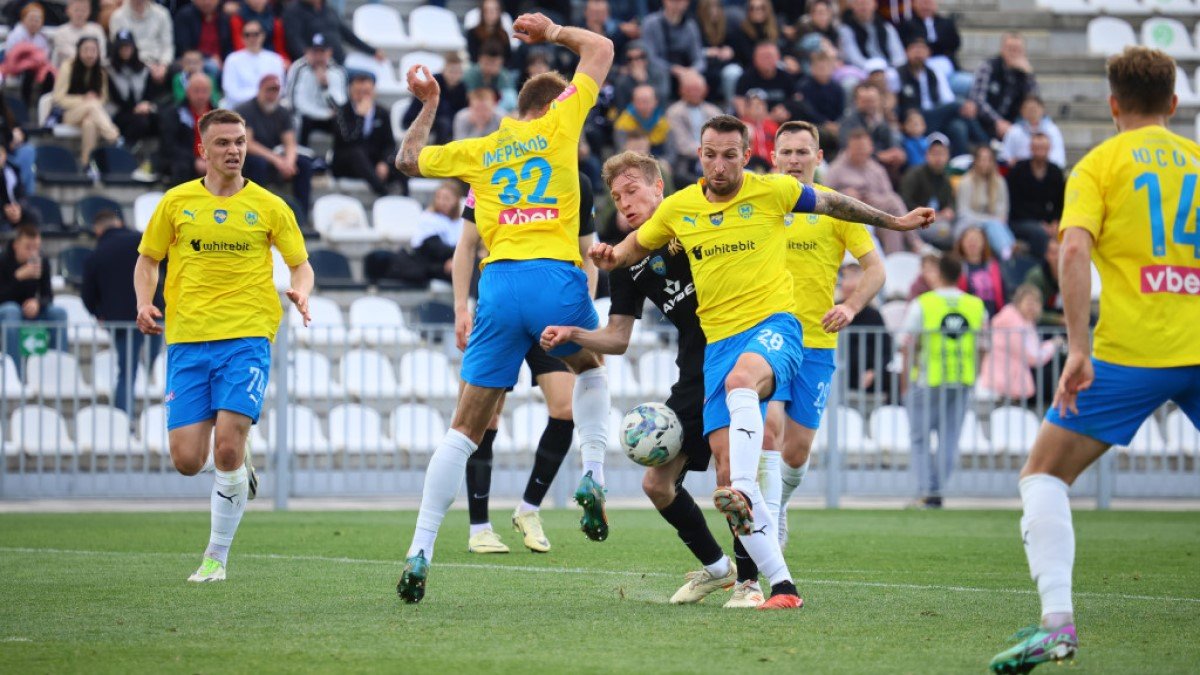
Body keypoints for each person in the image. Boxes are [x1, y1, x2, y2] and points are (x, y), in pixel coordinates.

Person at [588, 113, 934, 610]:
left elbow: (836, 203)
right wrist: (608, 257)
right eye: (711, 155)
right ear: (699, 155)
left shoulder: (773, 191)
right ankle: (779, 586)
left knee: (747, 400)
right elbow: (630, 249)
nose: (719, 164)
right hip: (717, 347)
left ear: (747, 156)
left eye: (730, 155)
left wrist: (895, 221)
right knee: (725, 473)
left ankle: (754, 495)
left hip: (775, 328)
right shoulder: (681, 208)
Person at [987, 47, 1200, 672]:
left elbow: (1074, 253)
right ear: (1174, 103)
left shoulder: (1098, 165)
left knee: (1044, 474)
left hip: (1130, 353)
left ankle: (1057, 625)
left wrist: (1078, 348)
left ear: (1112, 105)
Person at [392, 12, 616, 605]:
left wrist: (430, 103)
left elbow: (408, 161)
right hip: (554, 276)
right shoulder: (561, 125)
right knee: (591, 371)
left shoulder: (482, 150)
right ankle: (593, 472)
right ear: (554, 105)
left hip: (497, 285)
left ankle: (421, 548)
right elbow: (601, 47)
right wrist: (554, 33)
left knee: (464, 429)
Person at [546, 152, 769, 607]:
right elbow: (618, 337)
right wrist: (574, 335)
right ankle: (719, 570)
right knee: (656, 485)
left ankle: (750, 583)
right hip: (693, 375)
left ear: (658, 188)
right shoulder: (625, 259)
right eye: (616, 197)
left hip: (735, 359)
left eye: (632, 190)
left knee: (729, 472)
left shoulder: (694, 220)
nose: (624, 202)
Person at [134, 107, 313, 583]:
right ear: (203, 149)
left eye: (239, 142)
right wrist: (144, 302)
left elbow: (300, 264)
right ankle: (238, 462)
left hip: (247, 335)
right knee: (187, 461)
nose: (233, 150)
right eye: (223, 143)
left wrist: (301, 291)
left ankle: (215, 558)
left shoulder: (270, 206)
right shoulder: (176, 202)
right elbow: (148, 260)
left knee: (226, 450)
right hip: (188, 340)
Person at [760, 120, 885, 550]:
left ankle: (779, 504)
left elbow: (876, 269)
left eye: (802, 152)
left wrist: (850, 306)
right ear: (773, 158)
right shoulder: (759, 201)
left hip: (817, 342)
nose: (794, 160)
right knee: (769, 429)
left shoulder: (836, 207)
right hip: (768, 337)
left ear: (818, 157)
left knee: (796, 452)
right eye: (786, 152)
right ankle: (766, 525)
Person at [459, 176, 598, 555]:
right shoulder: (491, 174)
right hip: (501, 306)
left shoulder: (575, 180)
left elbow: (588, 251)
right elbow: (467, 245)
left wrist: (581, 310)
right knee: (484, 419)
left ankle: (529, 509)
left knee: (565, 409)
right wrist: (460, 307)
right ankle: (479, 527)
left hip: (550, 309)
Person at [901, 252, 986, 510]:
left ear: (938, 273)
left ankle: (928, 491)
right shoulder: (975, 305)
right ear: (961, 275)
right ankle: (936, 490)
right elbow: (984, 345)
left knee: (920, 438)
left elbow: (906, 342)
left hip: (928, 379)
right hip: (962, 378)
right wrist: (975, 374)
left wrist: (905, 378)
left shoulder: (923, 303)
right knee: (949, 439)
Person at [81, 210, 162, 415]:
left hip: (121, 322)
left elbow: (87, 295)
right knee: (157, 366)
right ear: (120, 223)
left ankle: (124, 419)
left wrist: (100, 313)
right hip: (154, 313)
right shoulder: (142, 241)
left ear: (98, 231)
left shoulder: (96, 255)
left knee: (127, 372)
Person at [825, 128, 915, 253]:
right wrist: (844, 194)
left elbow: (888, 194)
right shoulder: (836, 169)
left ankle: (894, 259)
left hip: (876, 212)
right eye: (857, 149)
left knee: (892, 221)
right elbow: (825, 196)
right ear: (849, 148)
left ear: (871, 148)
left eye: (863, 149)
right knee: (893, 203)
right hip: (850, 214)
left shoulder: (876, 169)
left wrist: (873, 198)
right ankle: (915, 242)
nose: (860, 152)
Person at [238, 74, 313, 221]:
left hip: (275, 156)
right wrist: (277, 160)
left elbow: (290, 142)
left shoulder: (282, 112)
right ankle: (256, 211)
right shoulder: (246, 110)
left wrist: (289, 162)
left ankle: (301, 217)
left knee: (304, 164)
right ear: (260, 89)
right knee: (258, 163)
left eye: (275, 91)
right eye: (269, 90)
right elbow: (248, 143)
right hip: (253, 156)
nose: (272, 95)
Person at [897, 35, 986, 156]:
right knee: (959, 105)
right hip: (914, 118)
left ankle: (960, 161)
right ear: (906, 52)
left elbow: (947, 98)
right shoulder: (898, 74)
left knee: (958, 126)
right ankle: (986, 143)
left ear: (929, 53)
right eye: (915, 49)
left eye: (922, 49)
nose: (918, 53)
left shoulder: (934, 72)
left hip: (935, 116)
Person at [0, 225, 68, 375]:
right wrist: (17, 278)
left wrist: (37, 303)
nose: (33, 252)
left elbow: (47, 295)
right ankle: (16, 375)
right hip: (7, 312)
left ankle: (57, 374)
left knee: (58, 313)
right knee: (12, 311)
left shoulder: (41, 261)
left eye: (36, 248)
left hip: (31, 311)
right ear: (16, 245)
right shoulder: (3, 260)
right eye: (28, 248)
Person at [978, 284, 1058, 403]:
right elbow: (1034, 356)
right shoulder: (1014, 323)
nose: (1032, 307)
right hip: (1000, 386)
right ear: (1018, 302)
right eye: (1029, 302)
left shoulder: (1023, 322)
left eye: (1036, 302)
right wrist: (1053, 345)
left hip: (1001, 385)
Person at [331, 71, 401, 197]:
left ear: (374, 92)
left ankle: (405, 197)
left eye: (366, 92)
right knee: (356, 153)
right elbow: (348, 139)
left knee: (400, 158)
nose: (363, 97)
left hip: (373, 162)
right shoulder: (341, 111)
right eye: (359, 92)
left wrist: (384, 163)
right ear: (351, 91)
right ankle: (383, 193)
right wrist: (360, 118)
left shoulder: (382, 112)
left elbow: (389, 144)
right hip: (346, 163)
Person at [53, 36, 121, 163]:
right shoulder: (68, 67)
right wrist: (84, 99)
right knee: (91, 105)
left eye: (93, 50)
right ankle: (114, 136)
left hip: (91, 114)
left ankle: (86, 163)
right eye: (86, 50)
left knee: (89, 123)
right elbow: (58, 98)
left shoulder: (101, 72)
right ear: (78, 51)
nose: (89, 55)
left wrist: (93, 102)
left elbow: (103, 98)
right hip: (68, 114)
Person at [840, 262, 895, 399]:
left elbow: (887, 351)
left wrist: (874, 371)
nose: (848, 284)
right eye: (845, 278)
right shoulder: (834, 310)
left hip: (866, 382)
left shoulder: (873, 315)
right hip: (836, 378)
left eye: (853, 279)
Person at [970, 32, 1039, 140]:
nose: (1013, 53)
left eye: (1017, 50)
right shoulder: (989, 67)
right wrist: (998, 121)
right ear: (1002, 49)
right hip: (986, 123)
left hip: (1014, 124)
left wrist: (1029, 74)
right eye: (1010, 49)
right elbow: (978, 99)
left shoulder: (1025, 74)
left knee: (1043, 122)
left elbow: (1035, 104)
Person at [1006, 133, 1064, 260]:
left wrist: (1055, 222)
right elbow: (1015, 204)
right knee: (1039, 233)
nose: (1040, 152)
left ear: (1049, 149)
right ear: (1031, 148)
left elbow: (1060, 203)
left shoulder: (1055, 172)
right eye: (1037, 148)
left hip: (1047, 221)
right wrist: (1040, 224)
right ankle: (1040, 266)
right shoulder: (1018, 170)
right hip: (1020, 220)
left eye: (1043, 148)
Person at [284, 32, 347, 146]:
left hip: (328, 117)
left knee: (342, 123)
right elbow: (295, 104)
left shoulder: (337, 72)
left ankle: (339, 155)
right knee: (299, 120)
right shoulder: (298, 69)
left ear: (329, 52)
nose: (318, 57)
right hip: (306, 116)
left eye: (322, 52)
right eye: (314, 52)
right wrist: (324, 114)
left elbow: (340, 106)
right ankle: (301, 152)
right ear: (307, 52)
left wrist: (325, 87)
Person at [107, 29, 167, 148]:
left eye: (128, 47)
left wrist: (148, 105)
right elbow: (114, 98)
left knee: (161, 118)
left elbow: (150, 94)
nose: (125, 50)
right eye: (122, 48)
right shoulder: (109, 71)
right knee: (140, 122)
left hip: (142, 110)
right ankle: (125, 149)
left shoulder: (143, 69)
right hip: (119, 112)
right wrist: (134, 109)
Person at [956, 144, 1014, 260]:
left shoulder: (1000, 182)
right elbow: (963, 213)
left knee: (995, 226)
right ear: (976, 161)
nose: (985, 163)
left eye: (988, 160)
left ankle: (1008, 252)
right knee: (993, 225)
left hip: (995, 226)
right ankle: (1007, 253)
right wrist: (988, 220)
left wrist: (992, 221)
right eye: (982, 159)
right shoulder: (966, 182)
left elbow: (1003, 211)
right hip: (969, 224)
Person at [899, 132, 956, 249]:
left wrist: (949, 210)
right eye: (934, 153)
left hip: (939, 222)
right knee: (948, 232)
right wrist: (931, 215)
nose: (938, 158)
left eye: (942, 153)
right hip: (917, 224)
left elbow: (950, 202)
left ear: (948, 156)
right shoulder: (914, 174)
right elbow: (904, 203)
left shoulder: (945, 178)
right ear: (927, 155)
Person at [281, 0, 383, 64]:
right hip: (313, 67)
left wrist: (372, 51)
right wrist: (308, 56)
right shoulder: (293, 11)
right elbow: (294, 40)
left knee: (365, 77)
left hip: (339, 64)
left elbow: (347, 34)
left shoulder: (329, 9)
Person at [665, 71, 722, 185]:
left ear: (705, 90)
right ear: (681, 90)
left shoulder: (714, 111)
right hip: (686, 162)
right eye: (690, 89)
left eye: (697, 89)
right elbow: (681, 145)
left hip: (713, 158)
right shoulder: (674, 112)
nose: (694, 93)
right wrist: (709, 152)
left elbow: (722, 138)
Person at [838, 83, 906, 177]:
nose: (869, 105)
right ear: (857, 102)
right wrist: (878, 155)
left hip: (882, 165)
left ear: (879, 101)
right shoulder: (849, 122)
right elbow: (847, 147)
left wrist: (896, 153)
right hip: (856, 168)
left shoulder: (882, 121)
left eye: (872, 101)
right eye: (865, 101)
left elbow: (890, 143)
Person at [400, 52, 467, 146]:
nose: (454, 75)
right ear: (444, 70)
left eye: (458, 72)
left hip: (441, 121)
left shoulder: (462, 87)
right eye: (451, 71)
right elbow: (435, 108)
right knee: (444, 124)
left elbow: (461, 111)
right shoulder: (433, 82)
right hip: (417, 118)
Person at [160, 74, 214, 185]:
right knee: (181, 166)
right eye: (196, 91)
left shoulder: (218, 115)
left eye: (204, 91)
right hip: (185, 161)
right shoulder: (173, 114)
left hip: (212, 160)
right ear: (188, 92)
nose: (200, 96)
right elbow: (169, 145)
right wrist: (194, 161)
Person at [1, 3, 57, 108]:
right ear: (23, 19)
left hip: (37, 66)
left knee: (49, 76)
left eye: (37, 20)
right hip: (16, 67)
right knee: (28, 73)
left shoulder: (41, 37)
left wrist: (35, 61)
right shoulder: (16, 34)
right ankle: (25, 106)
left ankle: (42, 105)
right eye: (31, 19)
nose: (34, 23)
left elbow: (44, 57)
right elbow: (11, 56)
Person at [221, 19, 286, 107]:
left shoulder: (275, 59)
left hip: (269, 107)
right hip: (240, 107)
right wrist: (260, 96)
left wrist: (262, 97)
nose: (252, 38)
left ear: (263, 36)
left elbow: (280, 88)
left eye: (256, 34)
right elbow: (231, 92)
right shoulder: (232, 59)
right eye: (247, 35)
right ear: (242, 38)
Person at [838, 0, 905, 78]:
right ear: (852, 6)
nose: (863, 7)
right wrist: (874, 70)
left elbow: (899, 56)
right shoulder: (846, 30)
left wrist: (890, 70)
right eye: (858, 3)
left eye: (866, 3)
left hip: (888, 71)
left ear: (875, 4)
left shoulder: (887, 28)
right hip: (861, 72)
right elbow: (853, 58)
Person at [797, 49, 845, 158]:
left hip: (835, 125)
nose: (822, 71)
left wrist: (836, 124)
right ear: (812, 69)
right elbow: (807, 110)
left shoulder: (837, 88)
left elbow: (841, 110)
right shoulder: (805, 87)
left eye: (825, 67)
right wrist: (825, 123)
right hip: (813, 124)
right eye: (819, 68)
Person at [108, 0, 174, 79]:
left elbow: (167, 46)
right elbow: (117, 50)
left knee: (176, 70)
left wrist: (163, 65)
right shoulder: (117, 17)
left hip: (158, 63)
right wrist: (146, 66)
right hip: (132, 63)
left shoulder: (162, 14)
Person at [641, 0, 705, 80]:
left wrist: (692, 71)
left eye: (680, 1)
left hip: (687, 73)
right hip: (660, 74)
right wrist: (673, 69)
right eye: (673, 1)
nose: (677, 4)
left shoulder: (691, 26)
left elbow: (699, 58)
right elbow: (650, 57)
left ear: (687, 3)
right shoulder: (650, 23)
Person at [1002, 95, 1066, 168]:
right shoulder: (1014, 131)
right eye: (1028, 109)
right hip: (1019, 171)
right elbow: (1005, 156)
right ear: (1021, 111)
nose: (1032, 112)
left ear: (1042, 109)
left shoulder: (1052, 130)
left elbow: (1058, 158)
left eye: (1034, 109)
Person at [900, 0, 961, 74]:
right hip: (919, 63)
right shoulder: (907, 25)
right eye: (922, 3)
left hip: (944, 60)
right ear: (914, 5)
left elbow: (955, 43)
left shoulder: (946, 23)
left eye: (929, 3)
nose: (926, 7)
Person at [956, 226, 1005, 315]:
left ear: (984, 243)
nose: (972, 243)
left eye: (976, 239)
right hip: (968, 316)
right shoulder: (956, 266)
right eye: (969, 239)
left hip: (993, 317)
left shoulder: (994, 266)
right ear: (961, 243)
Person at [173, 0, 233, 69]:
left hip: (222, 63)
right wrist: (209, 57)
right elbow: (184, 47)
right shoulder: (184, 16)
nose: (207, 2)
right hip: (193, 62)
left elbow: (229, 47)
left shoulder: (224, 18)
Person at [613, 83, 669, 156]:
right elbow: (620, 151)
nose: (642, 105)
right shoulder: (623, 124)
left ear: (655, 101)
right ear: (633, 102)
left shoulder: (664, 122)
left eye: (646, 101)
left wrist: (663, 162)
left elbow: (670, 152)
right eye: (638, 101)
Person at [464, 42, 519, 113]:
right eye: (486, 63)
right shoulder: (470, 74)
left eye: (494, 64)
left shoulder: (504, 75)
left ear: (501, 62)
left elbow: (511, 101)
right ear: (479, 59)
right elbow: (468, 97)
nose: (489, 68)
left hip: (497, 110)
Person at [52, 0, 107, 68]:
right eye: (76, 10)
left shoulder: (97, 30)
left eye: (83, 10)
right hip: (70, 69)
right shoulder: (61, 32)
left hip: (94, 69)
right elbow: (70, 56)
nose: (80, 14)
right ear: (68, 11)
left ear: (89, 11)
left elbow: (102, 53)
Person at [467, 0, 512, 64]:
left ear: (499, 12)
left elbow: (508, 59)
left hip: (500, 68)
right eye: (487, 10)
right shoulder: (473, 33)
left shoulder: (503, 35)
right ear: (482, 12)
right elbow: (473, 58)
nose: (491, 13)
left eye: (494, 10)